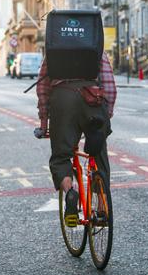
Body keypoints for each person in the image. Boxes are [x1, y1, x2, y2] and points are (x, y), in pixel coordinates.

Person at [35, 52, 116, 226]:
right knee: (99, 153)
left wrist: (44, 122)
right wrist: (106, 114)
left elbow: (43, 88)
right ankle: (102, 208)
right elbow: (109, 85)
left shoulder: (55, 46)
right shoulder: (94, 44)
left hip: (63, 100)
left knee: (61, 156)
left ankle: (70, 192)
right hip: (93, 100)